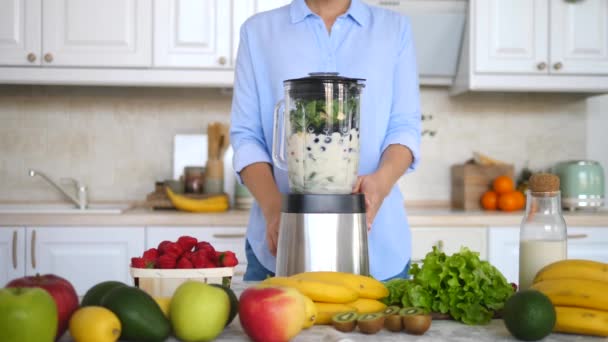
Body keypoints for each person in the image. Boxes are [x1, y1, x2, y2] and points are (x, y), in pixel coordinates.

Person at [230, 0, 421, 281]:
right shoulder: (258, 32)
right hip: (279, 247)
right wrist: (274, 211)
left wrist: (380, 183)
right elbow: (247, 137)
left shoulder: (394, 29)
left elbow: (404, 127)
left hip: (378, 251)